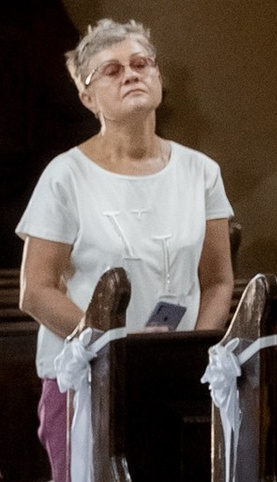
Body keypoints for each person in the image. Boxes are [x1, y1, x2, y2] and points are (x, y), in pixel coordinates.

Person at [18, 21, 234, 339]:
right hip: (87, 369)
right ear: (87, 98)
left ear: (158, 76)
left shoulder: (201, 172)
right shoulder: (65, 175)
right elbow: (36, 291)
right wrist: (111, 350)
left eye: (140, 64)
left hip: (174, 368)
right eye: (112, 70)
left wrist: (192, 350)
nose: (131, 75)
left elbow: (217, 281)